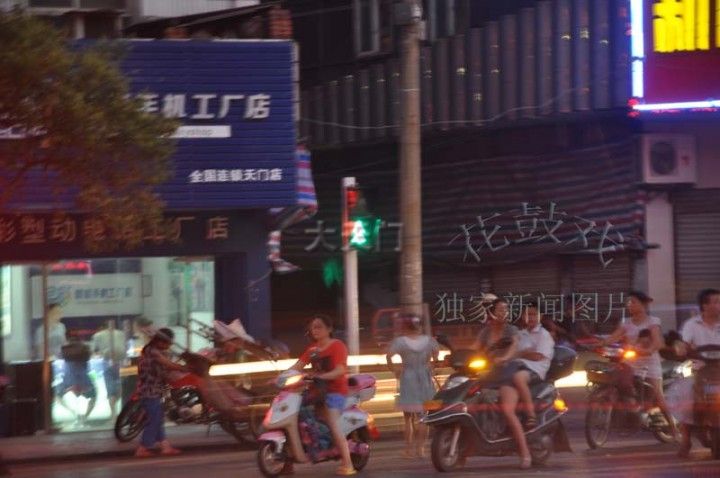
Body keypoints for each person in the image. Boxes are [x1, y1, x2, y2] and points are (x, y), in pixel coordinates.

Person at [601, 291, 679, 440]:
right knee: (617, 380)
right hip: (630, 361)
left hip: (649, 362)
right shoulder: (626, 323)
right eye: (628, 302)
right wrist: (601, 343)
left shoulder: (653, 322)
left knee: (658, 395)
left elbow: (658, 341)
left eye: (633, 302)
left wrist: (649, 350)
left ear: (643, 304)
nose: (629, 305)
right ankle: (629, 411)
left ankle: (673, 429)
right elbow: (614, 337)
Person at [288, 315, 355, 476]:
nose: (315, 330)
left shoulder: (337, 346)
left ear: (329, 329)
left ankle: (348, 464)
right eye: (312, 327)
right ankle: (287, 463)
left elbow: (340, 370)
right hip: (316, 391)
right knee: (294, 417)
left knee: (333, 424)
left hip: (335, 392)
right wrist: (279, 377)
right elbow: (297, 367)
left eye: (319, 327)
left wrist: (322, 376)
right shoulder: (312, 350)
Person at [498, 302, 554, 470]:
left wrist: (520, 354)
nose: (530, 317)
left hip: (535, 370)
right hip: (515, 369)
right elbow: (511, 352)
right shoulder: (520, 334)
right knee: (507, 409)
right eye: (527, 314)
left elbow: (537, 357)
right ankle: (522, 451)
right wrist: (506, 357)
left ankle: (530, 415)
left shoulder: (544, 335)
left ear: (540, 316)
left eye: (533, 314)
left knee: (518, 377)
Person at [385, 313, 440, 458]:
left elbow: (388, 355)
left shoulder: (400, 342)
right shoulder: (429, 341)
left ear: (405, 327)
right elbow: (436, 354)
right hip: (425, 378)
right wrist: (431, 365)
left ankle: (408, 450)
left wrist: (394, 369)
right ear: (420, 326)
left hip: (407, 378)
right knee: (423, 417)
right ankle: (421, 449)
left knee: (408, 418)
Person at [674, 288, 720, 458]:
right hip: (700, 368)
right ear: (704, 305)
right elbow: (684, 344)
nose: (719, 305)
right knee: (684, 396)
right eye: (716, 301)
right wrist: (682, 349)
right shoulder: (691, 324)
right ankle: (686, 439)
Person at [135, 328, 188, 458]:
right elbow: (168, 365)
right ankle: (143, 447)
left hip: (151, 389)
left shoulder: (151, 350)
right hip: (150, 391)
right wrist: (185, 368)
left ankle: (165, 447)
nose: (169, 346)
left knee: (157, 419)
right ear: (159, 341)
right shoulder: (153, 352)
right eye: (167, 343)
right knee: (155, 420)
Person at [92, 321, 127, 421]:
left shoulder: (97, 335)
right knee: (120, 388)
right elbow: (125, 347)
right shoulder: (121, 333)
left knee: (111, 390)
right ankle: (116, 411)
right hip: (121, 363)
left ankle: (113, 415)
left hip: (109, 363)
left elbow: (95, 351)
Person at [58, 336, 96, 428]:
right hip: (83, 379)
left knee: (58, 396)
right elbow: (90, 357)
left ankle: (76, 415)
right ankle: (84, 417)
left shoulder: (65, 349)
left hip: (69, 380)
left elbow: (59, 357)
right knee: (94, 397)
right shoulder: (85, 349)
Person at [471, 297, 519, 364]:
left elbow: (514, 345)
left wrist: (504, 358)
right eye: (500, 310)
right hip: (490, 365)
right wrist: (464, 353)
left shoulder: (511, 329)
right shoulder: (486, 331)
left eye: (506, 310)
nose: (504, 312)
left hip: (509, 365)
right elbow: (475, 347)